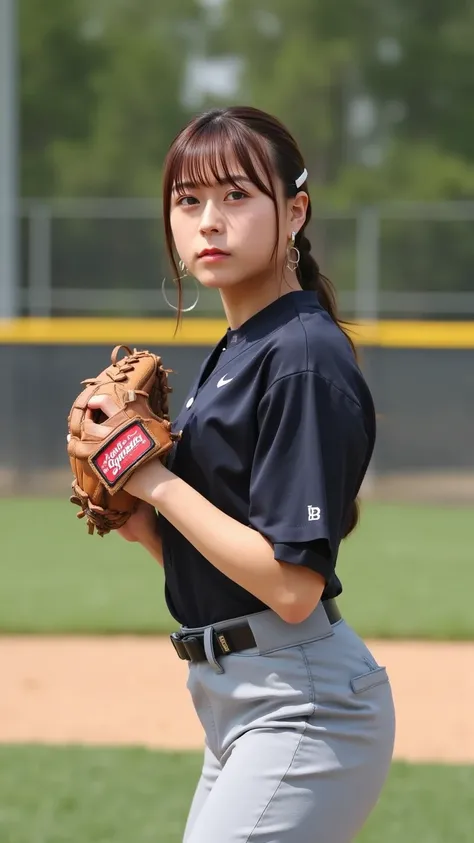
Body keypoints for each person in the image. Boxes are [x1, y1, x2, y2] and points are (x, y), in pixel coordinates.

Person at [87, 106, 396, 843]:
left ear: (294, 211)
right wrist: (142, 524)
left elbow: (292, 588)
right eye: (188, 201)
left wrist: (155, 480)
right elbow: (233, 578)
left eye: (236, 196)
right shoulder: (240, 347)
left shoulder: (302, 356)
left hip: (303, 707)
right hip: (235, 699)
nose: (208, 221)